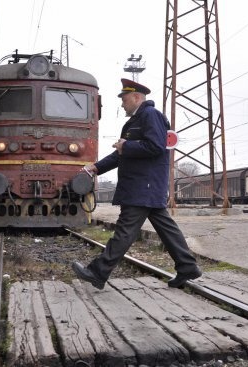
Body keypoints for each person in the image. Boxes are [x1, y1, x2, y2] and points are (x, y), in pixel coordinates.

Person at [71, 78, 202, 290]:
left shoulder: (151, 115)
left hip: (143, 187)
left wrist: (127, 146)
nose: (122, 103)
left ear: (136, 97)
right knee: (166, 229)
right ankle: (187, 266)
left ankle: (97, 272)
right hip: (144, 187)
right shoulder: (135, 121)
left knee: (125, 231)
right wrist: (95, 168)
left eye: (124, 99)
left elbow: (156, 146)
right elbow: (120, 154)